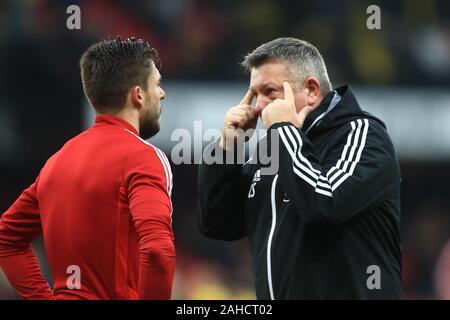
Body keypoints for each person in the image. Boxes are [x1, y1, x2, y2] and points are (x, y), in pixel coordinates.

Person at [198, 37, 402, 299]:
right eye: (255, 94)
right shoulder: (274, 149)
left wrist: (284, 132)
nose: (258, 107)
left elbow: (322, 202)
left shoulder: (363, 135)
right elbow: (218, 223)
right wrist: (229, 147)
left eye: (270, 92)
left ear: (311, 90)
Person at [0, 37, 175, 300]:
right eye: (157, 84)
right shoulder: (144, 157)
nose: (162, 93)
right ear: (138, 94)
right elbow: (157, 250)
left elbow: (7, 239)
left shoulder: (57, 161)